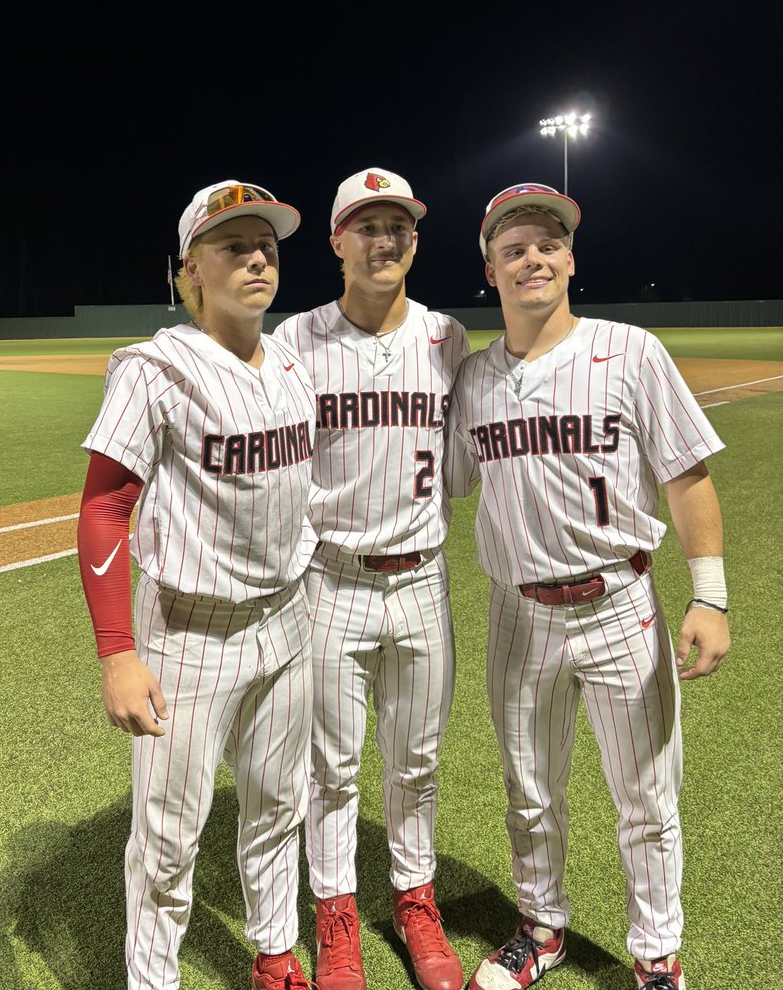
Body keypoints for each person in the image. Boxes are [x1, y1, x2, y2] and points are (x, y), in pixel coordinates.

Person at [445, 183, 731, 990]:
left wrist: (708, 594)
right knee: (529, 789)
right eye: (513, 248)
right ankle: (541, 927)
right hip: (516, 612)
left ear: (570, 260)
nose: (532, 257)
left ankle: (656, 955)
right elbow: (450, 481)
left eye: (546, 243)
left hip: (618, 604)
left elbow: (688, 477)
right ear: (491, 273)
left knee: (646, 798)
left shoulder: (631, 351)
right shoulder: (472, 381)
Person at [76, 180, 319, 990]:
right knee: (169, 836)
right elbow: (106, 510)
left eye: (268, 247)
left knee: (279, 806)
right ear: (191, 272)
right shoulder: (153, 369)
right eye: (232, 247)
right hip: (190, 634)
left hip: (287, 622)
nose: (256, 258)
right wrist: (118, 651)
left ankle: (276, 951)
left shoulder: (289, 360)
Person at [274, 168, 469, 990]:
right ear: (336, 243)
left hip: (422, 578)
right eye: (366, 226)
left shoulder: (447, 337)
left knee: (416, 760)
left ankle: (415, 900)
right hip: (331, 577)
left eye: (398, 226)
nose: (383, 240)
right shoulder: (296, 340)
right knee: (331, 766)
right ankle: (336, 913)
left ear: (414, 241)